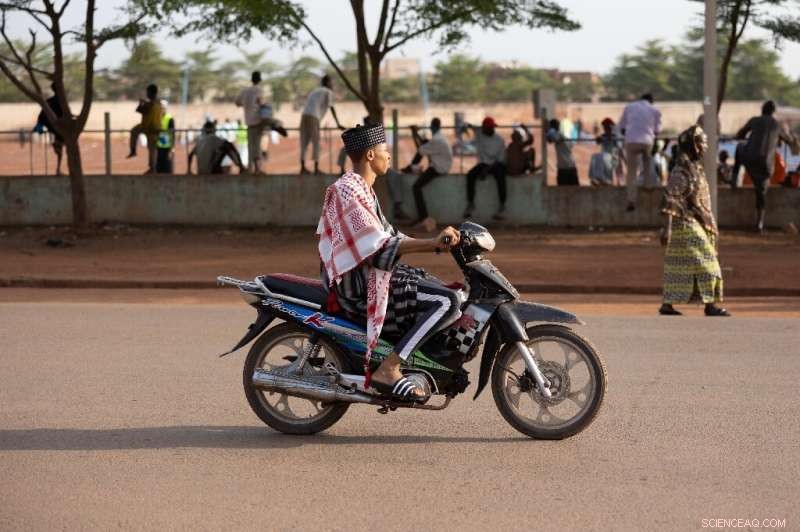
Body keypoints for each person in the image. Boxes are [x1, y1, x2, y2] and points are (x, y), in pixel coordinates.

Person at [318, 122, 462, 401]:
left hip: (368, 274)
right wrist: (432, 243)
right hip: (357, 286)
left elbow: (390, 235)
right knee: (446, 301)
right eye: (385, 150)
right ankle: (389, 368)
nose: (389, 156)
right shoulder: (350, 190)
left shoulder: (362, 188)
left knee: (436, 286)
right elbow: (379, 245)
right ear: (371, 154)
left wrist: (434, 243)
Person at [659, 125, 729, 317]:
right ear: (693, 145)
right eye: (702, 142)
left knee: (680, 266)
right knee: (708, 264)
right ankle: (710, 305)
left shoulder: (696, 167)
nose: (705, 145)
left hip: (694, 223)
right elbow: (671, 199)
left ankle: (668, 305)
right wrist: (667, 229)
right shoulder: (680, 171)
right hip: (684, 224)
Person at [735, 100, 795, 233]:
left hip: (750, 160)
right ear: (773, 112)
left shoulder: (754, 120)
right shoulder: (777, 125)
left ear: (762, 110)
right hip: (766, 166)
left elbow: (739, 135)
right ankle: (759, 225)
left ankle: (734, 178)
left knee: (739, 147)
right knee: (761, 193)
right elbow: (790, 142)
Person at [401, 117, 453, 231]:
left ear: (431, 127)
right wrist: (416, 134)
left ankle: (423, 217)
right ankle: (412, 167)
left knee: (416, 187)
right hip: (439, 165)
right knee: (424, 144)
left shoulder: (437, 140)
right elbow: (423, 146)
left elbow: (420, 149)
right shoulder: (439, 137)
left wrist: (414, 133)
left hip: (439, 168)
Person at [235, 71, 287, 174]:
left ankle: (250, 170)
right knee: (258, 146)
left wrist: (246, 105)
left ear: (251, 79)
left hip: (249, 122)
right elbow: (261, 102)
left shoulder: (245, 91)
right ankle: (277, 125)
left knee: (251, 147)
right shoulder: (259, 90)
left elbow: (237, 102)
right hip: (258, 120)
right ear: (259, 80)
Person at [619, 93, 662, 211]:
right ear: (651, 101)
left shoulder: (629, 107)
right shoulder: (655, 110)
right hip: (647, 141)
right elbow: (657, 130)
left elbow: (622, 127)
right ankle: (648, 186)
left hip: (631, 140)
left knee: (631, 171)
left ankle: (631, 199)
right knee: (647, 165)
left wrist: (628, 135)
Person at [463, 117, 507, 220]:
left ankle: (502, 205)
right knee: (470, 175)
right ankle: (470, 204)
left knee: (501, 177)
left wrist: (486, 171)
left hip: (496, 165)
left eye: (485, 128)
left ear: (490, 128)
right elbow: (469, 125)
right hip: (483, 163)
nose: (482, 130)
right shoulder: (480, 132)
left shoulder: (499, 140)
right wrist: (465, 127)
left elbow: (500, 160)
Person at [300, 75, 344, 174]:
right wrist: (338, 123)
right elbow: (331, 107)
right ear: (328, 83)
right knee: (316, 142)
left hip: (304, 115)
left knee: (304, 142)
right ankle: (316, 168)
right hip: (314, 117)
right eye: (331, 82)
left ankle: (302, 167)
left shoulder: (315, 91)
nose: (332, 85)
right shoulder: (328, 92)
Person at [127, 84, 163, 173]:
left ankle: (152, 168)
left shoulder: (151, 104)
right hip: (152, 127)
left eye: (148, 92)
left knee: (152, 148)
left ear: (151, 93)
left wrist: (141, 103)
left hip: (150, 128)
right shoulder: (158, 103)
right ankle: (152, 167)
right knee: (152, 148)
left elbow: (140, 110)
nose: (147, 94)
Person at [32, 83, 64, 176]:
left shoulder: (49, 101)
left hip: (52, 129)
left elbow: (41, 116)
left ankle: (58, 169)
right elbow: (64, 115)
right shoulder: (61, 102)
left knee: (59, 150)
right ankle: (58, 170)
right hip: (59, 130)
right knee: (60, 150)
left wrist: (40, 124)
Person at [546, 119, 579, 186]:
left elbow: (550, 138)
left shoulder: (558, 135)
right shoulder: (564, 136)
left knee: (563, 190)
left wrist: (547, 129)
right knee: (575, 191)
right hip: (572, 166)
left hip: (564, 168)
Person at [589, 118, 620, 186]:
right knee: (594, 156)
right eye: (604, 127)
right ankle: (594, 178)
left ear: (611, 127)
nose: (606, 129)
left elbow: (619, 146)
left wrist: (611, 138)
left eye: (607, 127)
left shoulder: (616, 136)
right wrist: (598, 139)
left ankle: (606, 179)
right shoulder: (603, 136)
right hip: (604, 156)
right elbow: (598, 142)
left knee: (604, 157)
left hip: (613, 158)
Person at [154, 100, 175, 174]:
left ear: (166, 108)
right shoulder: (157, 118)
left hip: (167, 146)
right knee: (158, 165)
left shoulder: (170, 118)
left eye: (162, 108)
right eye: (160, 108)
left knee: (166, 165)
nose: (161, 109)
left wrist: (172, 147)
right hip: (159, 145)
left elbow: (172, 133)